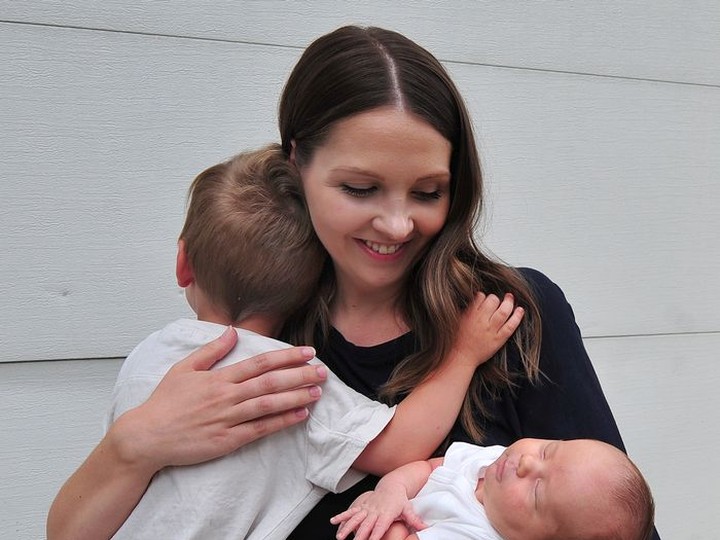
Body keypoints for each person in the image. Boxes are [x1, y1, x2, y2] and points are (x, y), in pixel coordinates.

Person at [47, 25, 661, 540]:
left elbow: (617, 524)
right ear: (297, 164)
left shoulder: (511, 313)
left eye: (428, 192)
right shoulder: (261, 330)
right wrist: (134, 445)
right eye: (360, 189)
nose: (397, 224)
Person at [50, 144, 522, 540]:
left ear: (183, 264)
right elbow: (399, 447)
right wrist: (462, 356)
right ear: (311, 291)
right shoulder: (283, 378)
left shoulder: (149, 356)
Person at [331, 438, 655, 540]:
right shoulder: (496, 460)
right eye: (547, 450)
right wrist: (391, 492)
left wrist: (381, 512)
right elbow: (430, 467)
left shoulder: (475, 534)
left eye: (538, 491)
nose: (527, 463)